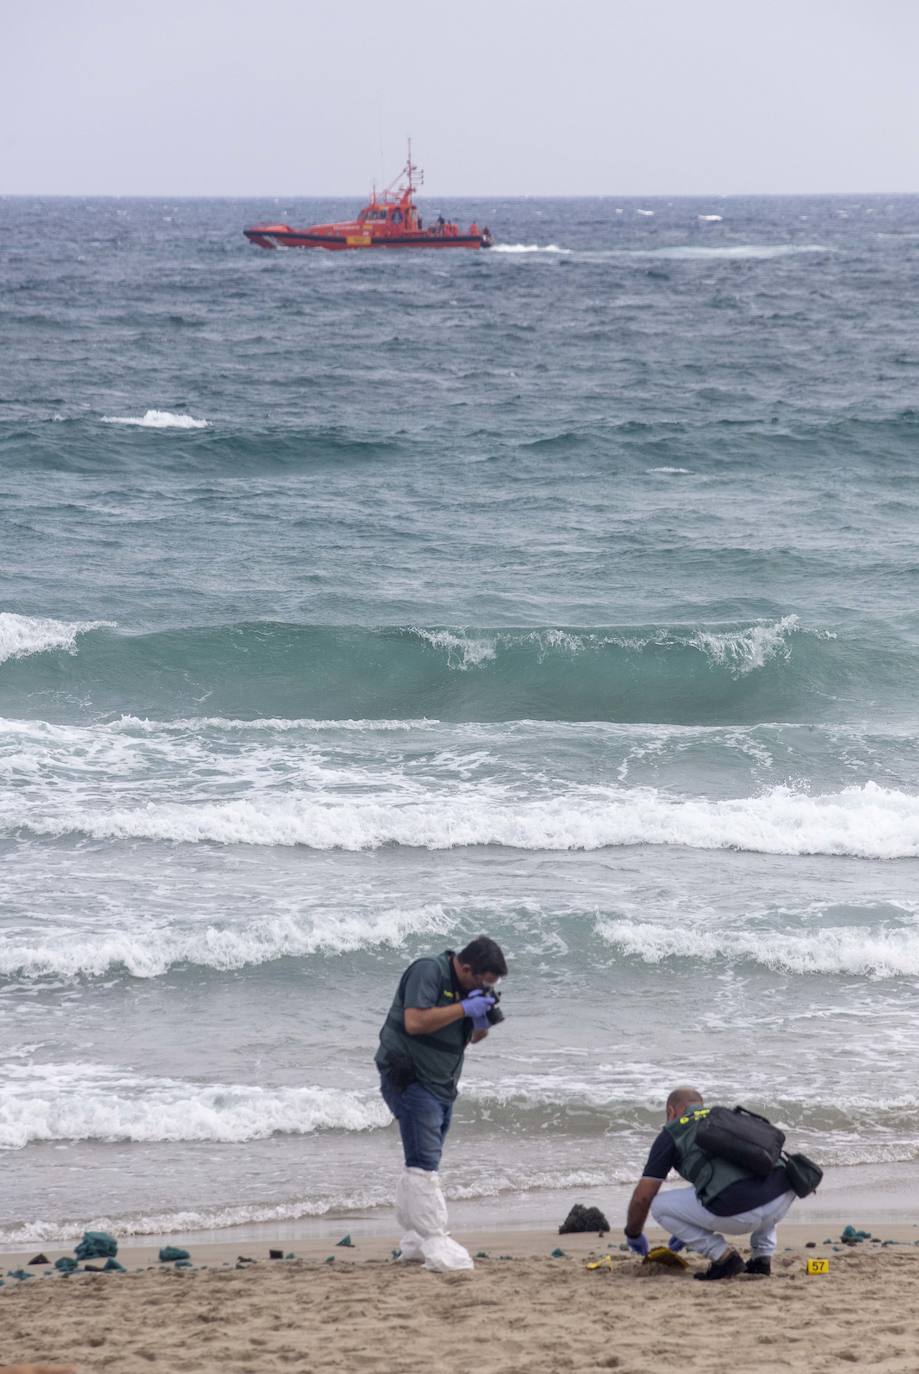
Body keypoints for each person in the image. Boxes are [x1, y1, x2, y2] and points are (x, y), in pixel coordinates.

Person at [376, 936, 508, 1269]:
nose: (486, 987)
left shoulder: (471, 987)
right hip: (410, 1077)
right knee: (424, 1163)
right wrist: (464, 1008)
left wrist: (481, 1017)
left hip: (443, 1083)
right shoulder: (428, 971)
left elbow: (476, 1037)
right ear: (465, 968)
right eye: (483, 981)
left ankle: (416, 1240)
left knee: (422, 1159)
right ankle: (434, 1239)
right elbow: (414, 1022)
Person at [622, 1086, 797, 1281]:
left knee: (659, 1205)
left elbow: (643, 1197)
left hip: (741, 1213)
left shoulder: (672, 1132)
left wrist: (633, 1234)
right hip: (782, 1197)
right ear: (701, 1106)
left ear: (671, 1111)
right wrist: (689, 1225)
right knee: (757, 1177)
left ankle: (724, 1258)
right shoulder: (727, 1116)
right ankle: (761, 1260)